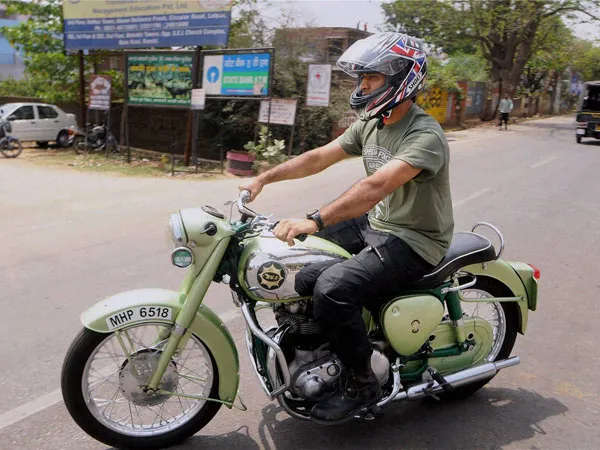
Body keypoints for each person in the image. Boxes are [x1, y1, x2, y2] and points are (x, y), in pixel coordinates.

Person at [239, 32, 454, 424]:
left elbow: (374, 188)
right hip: (378, 223)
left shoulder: (425, 136)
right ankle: (317, 345)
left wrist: (315, 217)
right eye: (362, 78)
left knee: (334, 289)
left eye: (371, 78)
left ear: (401, 77)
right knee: (298, 259)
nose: (363, 86)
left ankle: (362, 381)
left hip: (415, 239)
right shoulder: (373, 123)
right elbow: (319, 157)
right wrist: (264, 178)